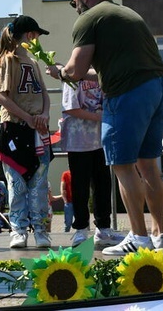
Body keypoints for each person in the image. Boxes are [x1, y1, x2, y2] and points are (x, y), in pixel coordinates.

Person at [49, 0, 163, 255]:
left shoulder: (88, 19)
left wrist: (60, 72)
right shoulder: (126, 13)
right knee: (149, 165)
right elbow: (100, 70)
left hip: (129, 93)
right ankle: (159, 234)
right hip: (159, 86)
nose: (75, 8)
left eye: (73, 2)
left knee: (122, 165)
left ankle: (138, 238)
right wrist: (73, 73)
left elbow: (76, 71)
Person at [0, 15, 53, 249]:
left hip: (39, 130)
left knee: (39, 183)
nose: (38, 39)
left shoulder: (34, 62)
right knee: (16, 183)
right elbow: (1, 96)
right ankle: (18, 229)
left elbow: (45, 95)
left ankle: (41, 229)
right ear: (29, 35)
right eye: (36, 35)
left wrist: (45, 114)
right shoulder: (7, 60)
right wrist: (27, 118)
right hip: (15, 129)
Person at [55, 77, 125, 249]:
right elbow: (71, 108)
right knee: (80, 186)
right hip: (78, 140)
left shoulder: (100, 74)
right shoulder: (72, 76)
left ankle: (103, 229)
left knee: (103, 183)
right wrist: (98, 116)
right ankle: (80, 229)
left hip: (101, 139)